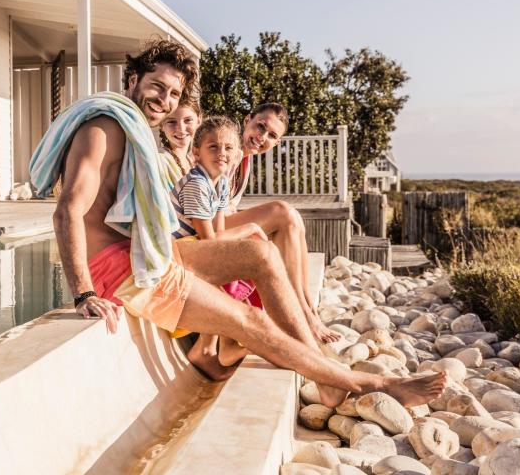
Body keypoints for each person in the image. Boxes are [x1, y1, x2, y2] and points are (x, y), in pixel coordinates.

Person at [31, 39, 444, 406]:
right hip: (118, 271)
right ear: (133, 79)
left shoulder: (131, 128)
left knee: (259, 253)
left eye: (174, 93)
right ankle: (370, 385)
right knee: (251, 320)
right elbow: (68, 207)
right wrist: (84, 293)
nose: (165, 100)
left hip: (138, 254)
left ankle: (328, 378)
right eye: (157, 86)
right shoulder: (105, 126)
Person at [224, 104, 342, 343]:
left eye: (271, 136)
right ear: (247, 120)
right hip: (207, 227)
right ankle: (302, 312)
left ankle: (307, 305)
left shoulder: (244, 160)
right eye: (260, 126)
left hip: (223, 222)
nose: (262, 137)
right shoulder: (230, 150)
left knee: (294, 218)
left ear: (276, 144)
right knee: (282, 212)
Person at [170, 115, 264, 367]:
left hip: (196, 248)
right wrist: (251, 227)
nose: (221, 153)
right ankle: (214, 346)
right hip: (177, 255)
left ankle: (216, 345)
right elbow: (210, 243)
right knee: (229, 262)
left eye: (229, 147)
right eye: (213, 146)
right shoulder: (196, 184)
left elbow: (219, 235)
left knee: (240, 256)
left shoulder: (221, 182)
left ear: (236, 155)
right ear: (196, 153)